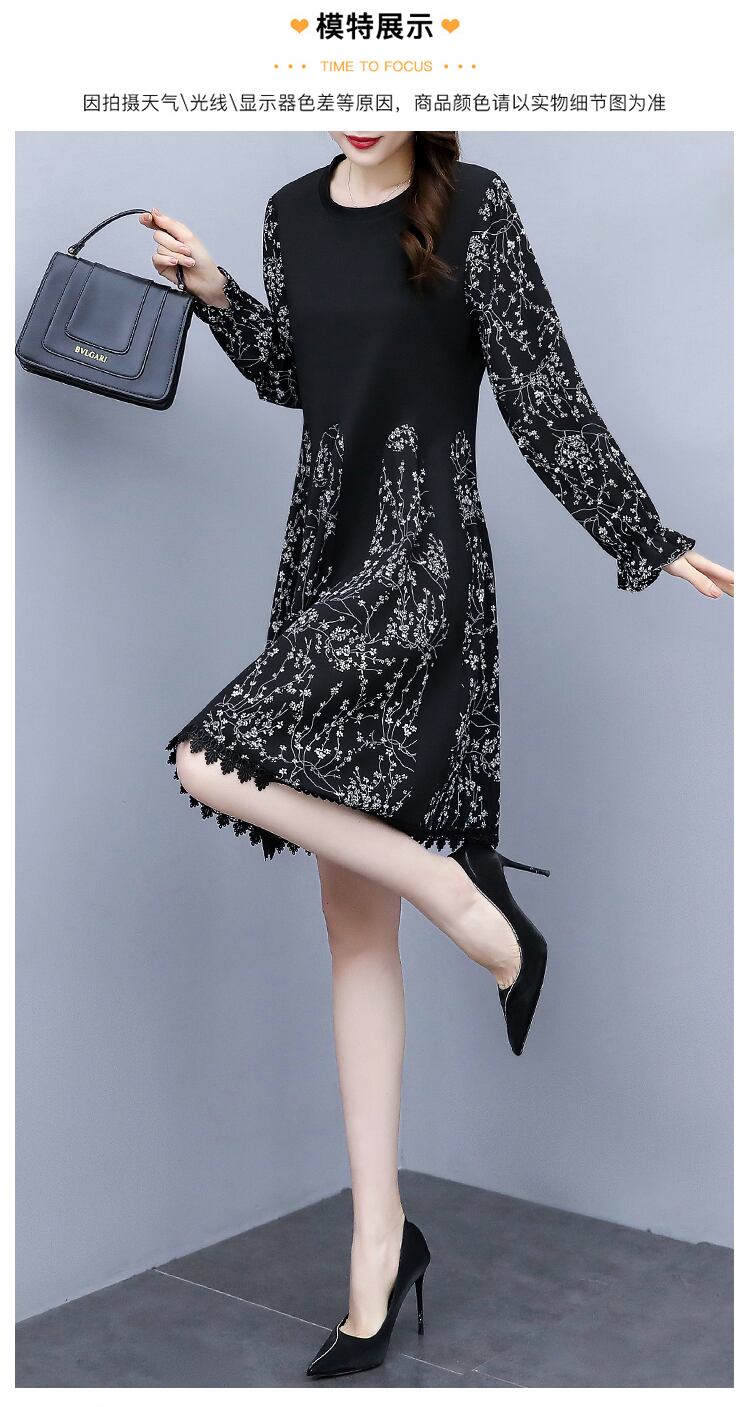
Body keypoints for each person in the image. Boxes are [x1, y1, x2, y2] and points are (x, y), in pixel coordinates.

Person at [141, 131, 732, 1380]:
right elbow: (306, 377)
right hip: (321, 569)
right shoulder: (289, 212)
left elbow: (541, 389)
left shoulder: (476, 206)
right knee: (352, 933)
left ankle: (472, 903)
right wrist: (217, 297)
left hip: (421, 571)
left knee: (206, 759)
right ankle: (380, 1250)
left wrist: (645, 535)